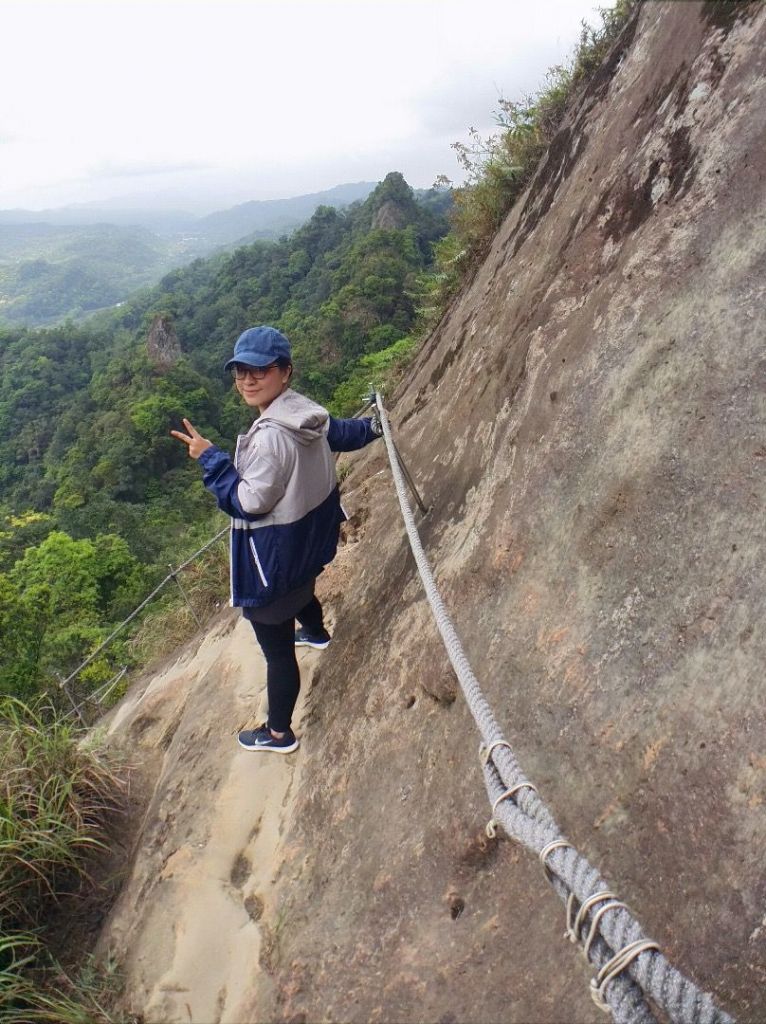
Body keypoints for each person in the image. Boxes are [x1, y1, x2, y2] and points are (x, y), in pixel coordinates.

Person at [171, 325, 380, 753]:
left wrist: (210, 459)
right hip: (307, 543)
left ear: (285, 372)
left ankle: (278, 733)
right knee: (303, 590)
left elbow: (249, 503)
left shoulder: (269, 439)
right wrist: (376, 426)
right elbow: (342, 432)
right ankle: (318, 633)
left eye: (259, 370)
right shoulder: (306, 412)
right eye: (240, 372)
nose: (247, 380)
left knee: (278, 655)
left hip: (274, 561)